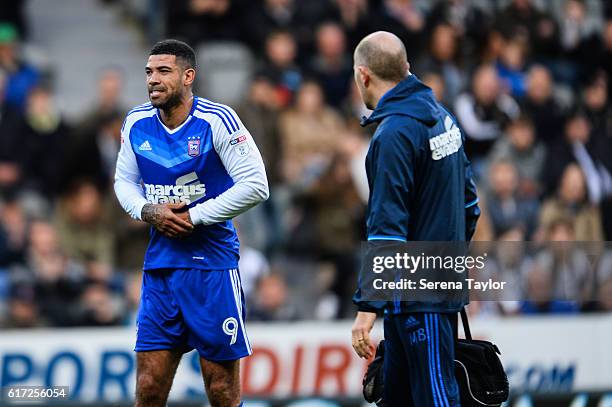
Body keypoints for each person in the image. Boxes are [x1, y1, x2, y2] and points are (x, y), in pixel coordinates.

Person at [113, 40, 269, 407]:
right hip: (161, 267)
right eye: (149, 72)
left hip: (212, 267)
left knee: (220, 390)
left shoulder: (218, 120)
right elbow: (123, 181)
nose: (153, 80)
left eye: (163, 71)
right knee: (149, 386)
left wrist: (194, 216)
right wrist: (146, 211)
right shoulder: (136, 122)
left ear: (188, 76)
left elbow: (256, 185)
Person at [350, 32, 480, 406]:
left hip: (419, 298)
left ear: (363, 76)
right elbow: (470, 203)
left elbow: (386, 230)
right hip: (420, 292)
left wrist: (365, 308)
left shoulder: (393, 135)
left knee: (437, 401)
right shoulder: (442, 117)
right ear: (406, 68)